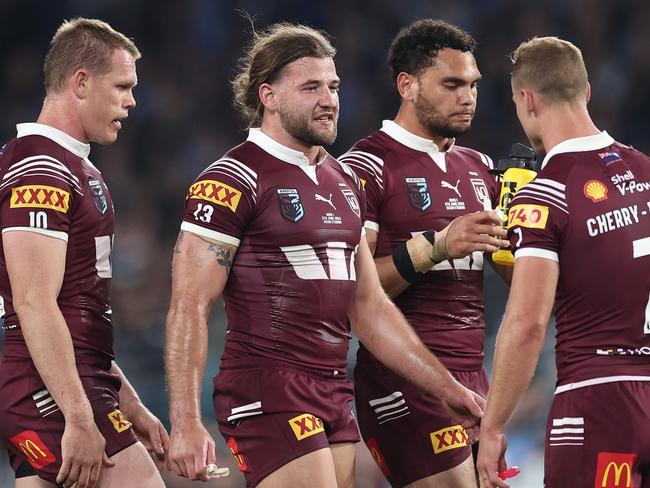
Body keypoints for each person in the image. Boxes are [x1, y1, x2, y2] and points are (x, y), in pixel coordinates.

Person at [164, 22, 508, 488]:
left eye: (333, 86)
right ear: (268, 96)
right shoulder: (231, 179)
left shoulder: (341, 181)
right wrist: (185, 419)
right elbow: (189, 304)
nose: (328, 99)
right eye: (311, 88)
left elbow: (369, 307)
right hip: (267, 385)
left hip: (333, 388)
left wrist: (447, 389)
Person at [339, 19, 510, 488]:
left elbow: (511, 275)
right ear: (407, 84)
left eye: (473, 85)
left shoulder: (480, 168)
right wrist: (436, 247)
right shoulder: (366, 167)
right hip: (404, 378)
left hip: (475, 372)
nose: (467, 97)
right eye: (452, 84)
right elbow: (356, 290)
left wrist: (528, 240)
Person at [0, 18, 168, 488]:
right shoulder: (41, 169)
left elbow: (81, 310)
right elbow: (34, 301)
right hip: (51, 385)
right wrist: (78, 416)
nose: (132, 101)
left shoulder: (76, 168)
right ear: (80, 82)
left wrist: (129, 403)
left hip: (64, 377)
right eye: (122, 86)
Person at [477, 36, 650, 487]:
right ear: (587, 91)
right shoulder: (646, 171)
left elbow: (527, 323)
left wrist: (493, 426)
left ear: (527, 100)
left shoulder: (545, 193)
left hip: (596, 402)